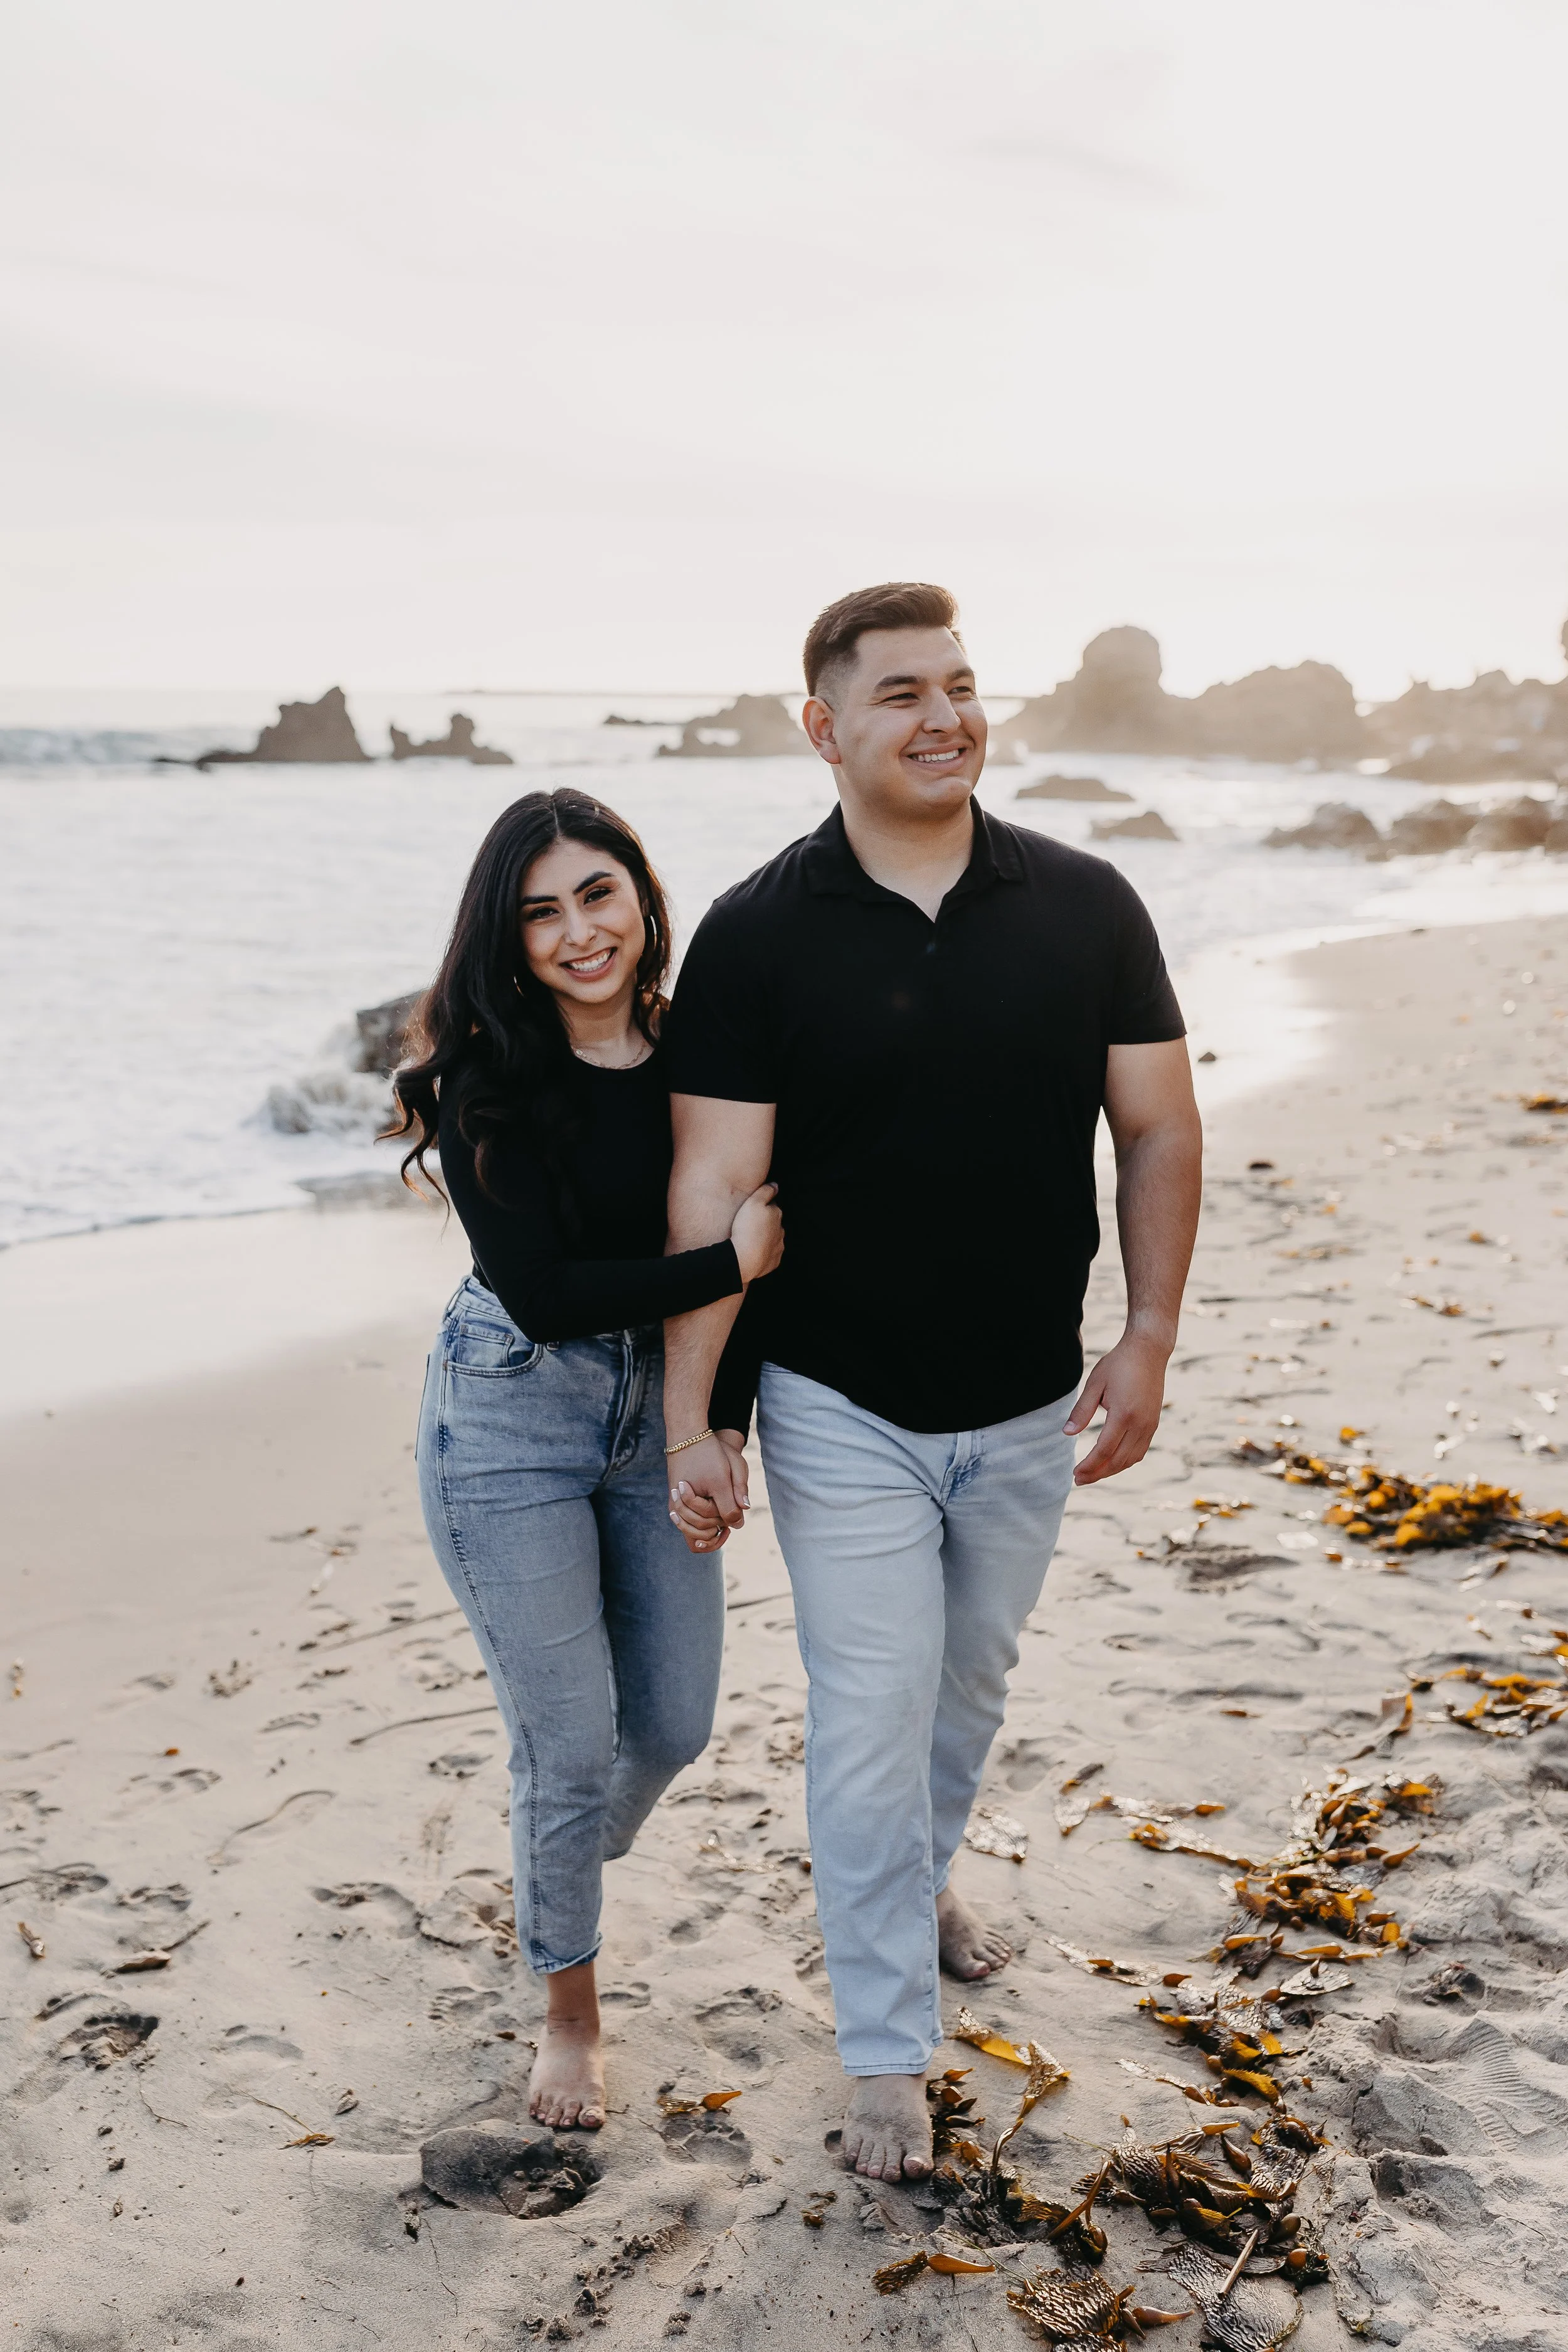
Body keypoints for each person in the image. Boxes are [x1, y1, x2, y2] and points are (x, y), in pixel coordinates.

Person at [659, 583, 1201, 2183]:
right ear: (820, 728)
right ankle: (885, 2048)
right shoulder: (756, 934)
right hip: (838, 1399)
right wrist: (702, 1414)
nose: (943, 716)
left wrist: (1148, 1335)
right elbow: (712, 1195)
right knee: (872, 1707)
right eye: (898, 693)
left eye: (959, 685)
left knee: (966, 1690)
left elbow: (1158, 1130)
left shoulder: (1088, 905)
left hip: (1029, 1396)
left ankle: (917, 1873)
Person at [387, 788, 783, 2132]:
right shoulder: (479, 1080)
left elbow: (758, 1270)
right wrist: (720, 1266)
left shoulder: (697, 1058)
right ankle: (568, 2013)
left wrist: (715, 1417)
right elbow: (549, 1291)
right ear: (508, 936)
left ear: (642, 897)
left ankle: (551, 1862)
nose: (575, 934)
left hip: (652, 1410)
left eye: (596, 895)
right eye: (540, 912)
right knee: (565, 1746)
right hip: (509, 1417)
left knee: (667, 1723)